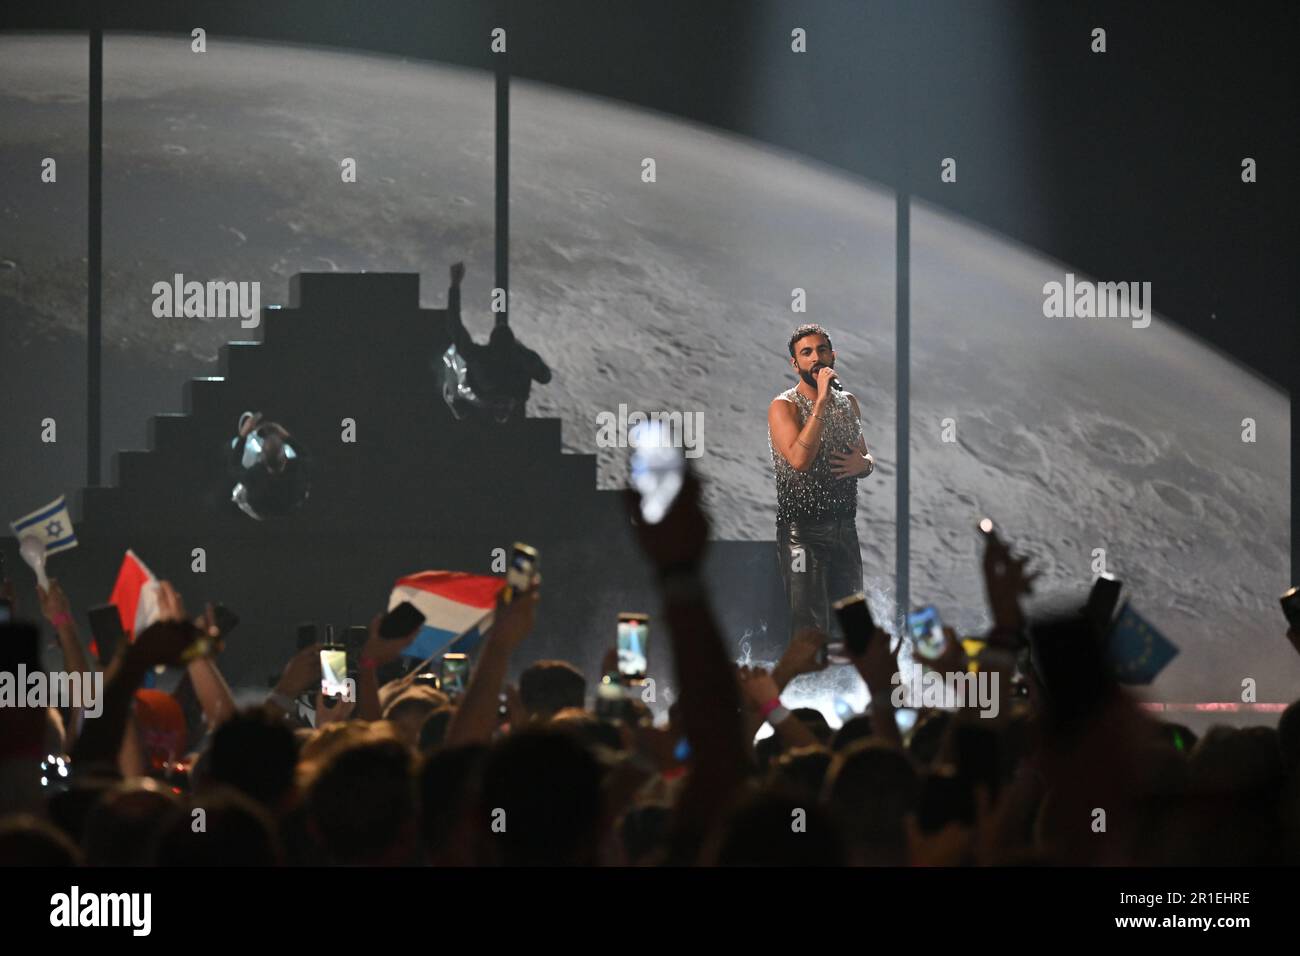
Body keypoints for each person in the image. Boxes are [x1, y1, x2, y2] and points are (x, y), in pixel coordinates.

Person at [766, 323, 875, 641]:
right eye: (807, 352)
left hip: (845, 528)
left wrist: (864, 465)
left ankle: (852, 689)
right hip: (803, 533)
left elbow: (865, 458)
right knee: (811, 630)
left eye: (822, 350)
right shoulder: (783, 406)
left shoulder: (848, 403)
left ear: (833, 356)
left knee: (852, 626)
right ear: (795, 364)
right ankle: (806, 688)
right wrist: (822, 402)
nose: (816, 358)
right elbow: (799, 460)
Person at [444, 261, 551, 421]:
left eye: (499, 407)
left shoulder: (481, 362)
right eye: (505, 408)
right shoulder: (482, 363)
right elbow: (454, 326)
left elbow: (455, 326)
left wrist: (455, 286)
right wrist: (455, 285)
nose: (502, 404)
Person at [230, 412, 308, 518]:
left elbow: (234, 465)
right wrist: (286, 436)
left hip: (262, 512)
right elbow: (307, 457)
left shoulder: (253, 476)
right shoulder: (297, 469)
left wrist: (243, 435)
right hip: (290, 509)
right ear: (285, 456)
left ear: (261, 458)